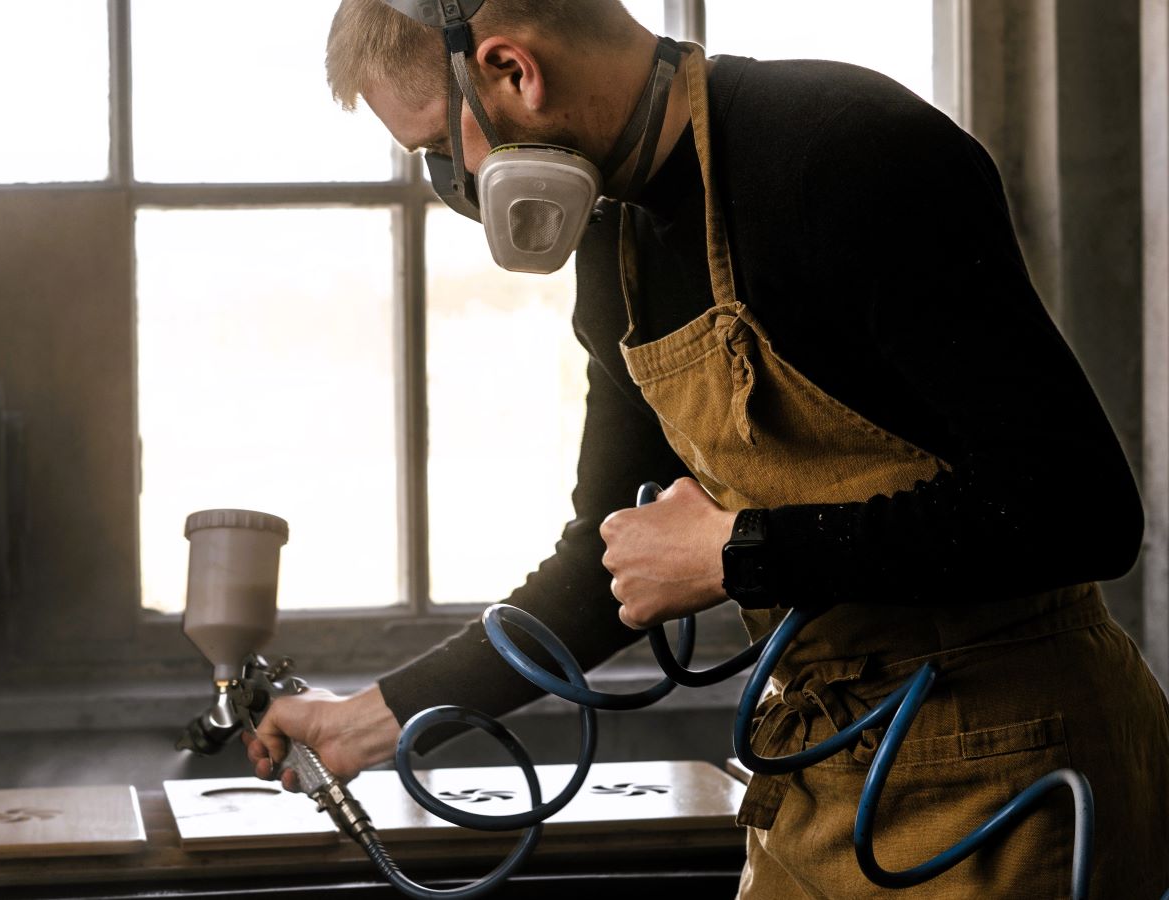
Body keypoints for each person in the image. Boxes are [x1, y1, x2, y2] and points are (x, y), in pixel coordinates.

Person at [244, 0, 1169, 895]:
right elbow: (613, 566)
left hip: (1017, 769)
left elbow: (1076, 509)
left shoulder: (849, 149)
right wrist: (362, 723)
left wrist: (742, 554)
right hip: (822, 779)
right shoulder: (617, 257)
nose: (454, 187)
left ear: (511, 70)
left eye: (443, 151)